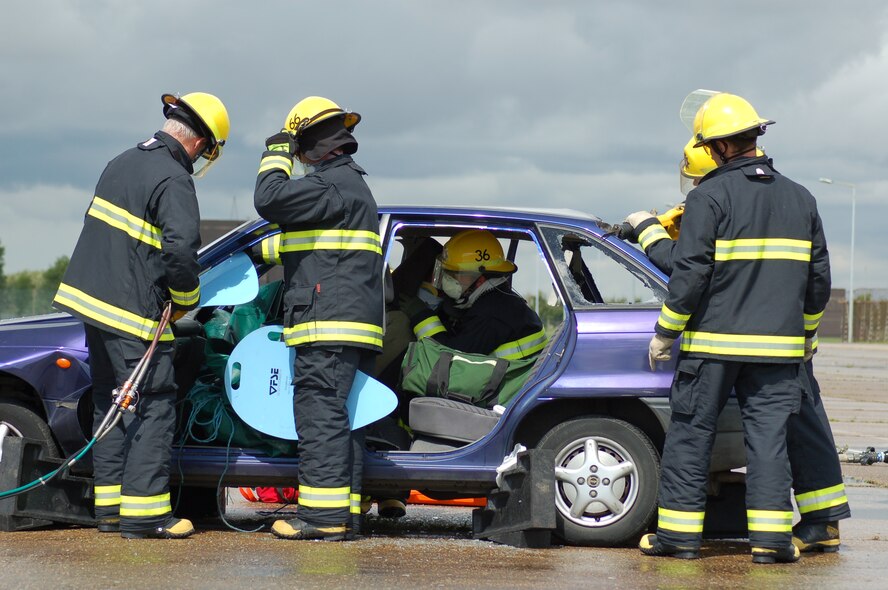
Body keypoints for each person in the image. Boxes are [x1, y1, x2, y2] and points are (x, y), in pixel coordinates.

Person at [627, 137, 850, 554]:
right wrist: (805, 337)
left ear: (723, 147)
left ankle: (678, 539)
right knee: (769, 442)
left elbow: (690, 273)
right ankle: (771, 543)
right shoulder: (802, 198)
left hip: (713, 346)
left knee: (692, 435)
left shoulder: (709, 197)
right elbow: (818, 282)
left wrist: (666, 332)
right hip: (778, 352)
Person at [53, 92, 230, 539]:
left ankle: (110, 512)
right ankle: (147, 516)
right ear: (202, 145)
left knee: (112, 405)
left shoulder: (121, 161)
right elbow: (180, 251)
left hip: (92, 307)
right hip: (134, 315)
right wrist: (186, 301)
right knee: (152, 406)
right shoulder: (174, 178)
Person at [254, 96, 383, 541]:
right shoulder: (347, 186)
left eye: (296, 146)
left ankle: (322, 518)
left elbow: (268, 199)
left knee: (320, 414)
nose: (297, 156)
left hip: (326, 322)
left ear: (307, 141)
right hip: (346, 320)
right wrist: (262, 253)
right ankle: (345, 511)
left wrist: (274, 152)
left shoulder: (328, 185)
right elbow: (322, 247)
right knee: (342, 418)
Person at [400, 229, 548, 361]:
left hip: (514, 389)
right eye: (446, 272)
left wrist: (420, 316)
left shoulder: (491, 314)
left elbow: (447, 360)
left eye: (455, 274)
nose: (447, 279)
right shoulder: (492, 300)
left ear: (480, 280)